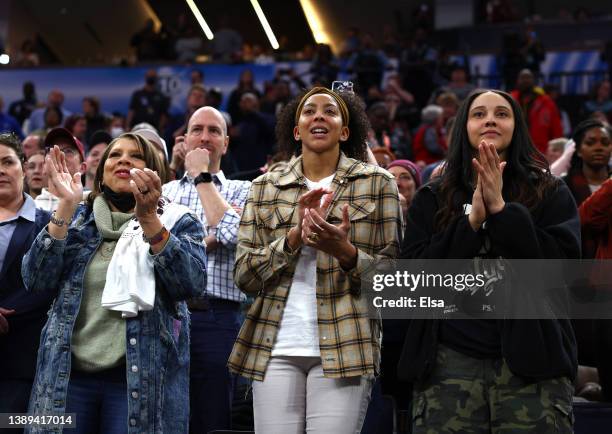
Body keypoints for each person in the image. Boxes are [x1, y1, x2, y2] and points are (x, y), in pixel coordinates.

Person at [399, 89, 580, 432]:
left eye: (502, 113)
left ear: (517, 126)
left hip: (533, 365)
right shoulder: (433, 197)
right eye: (479, 114)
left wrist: (502, 211)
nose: (491, 120)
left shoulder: (551, 192)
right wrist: (469, 225)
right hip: (447, 364)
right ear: (464, 126)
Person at [228, 86, 402, 433]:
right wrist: (293, 237)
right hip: (274, 345)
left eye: (330, 111)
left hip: (347, 344)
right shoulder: (264, 187)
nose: (319, 116)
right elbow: (244, 275)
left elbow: (392, 282)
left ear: (345, 130)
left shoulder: (379, 183)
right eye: (309, 111)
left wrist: (345, 253)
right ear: (296, 130)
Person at [22, 133, 207, 433]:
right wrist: (65, 206)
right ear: (102, 171)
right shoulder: (77, 220)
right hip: (66, 380)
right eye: (115, 154)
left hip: (138, 384)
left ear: (154, 170)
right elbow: (35, 278)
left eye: (136, 156)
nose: (123, 160)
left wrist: (149, 219)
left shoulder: (178, 220)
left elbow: (191, 284)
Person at [162, 106, 251, 434]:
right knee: (167, 415)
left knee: (215, 418)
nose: (205, 136)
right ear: (184, 140)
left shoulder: (244, 190)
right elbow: (152, 250)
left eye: (214, 130)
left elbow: (232, 233)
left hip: (218, 317)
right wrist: (208, 238)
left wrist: (201, 177)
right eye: (197, 129)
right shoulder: (164, 193)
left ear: (226, 143)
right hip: (167, 316)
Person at [0, 133, 52, 419]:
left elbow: (45, 285)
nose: (1, 170)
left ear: (23, 166)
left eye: (8, 162)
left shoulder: (48, 225)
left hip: (21, 363)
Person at [510, 69, 563, 154]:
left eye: (528, 77)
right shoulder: (510, 100)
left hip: (541, 152)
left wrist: (557, 150)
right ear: (517, 81)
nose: (525, 80)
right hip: (516, 151)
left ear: (534, 81)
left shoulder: (547, 102)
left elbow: (556, 128)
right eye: (523, 78)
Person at [35, 127, 86, 212]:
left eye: (68, 151)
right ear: (44, 166)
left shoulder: (93, 205)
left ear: (82, 168)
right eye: (52, 150)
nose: (59, 154)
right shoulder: (30, 208)